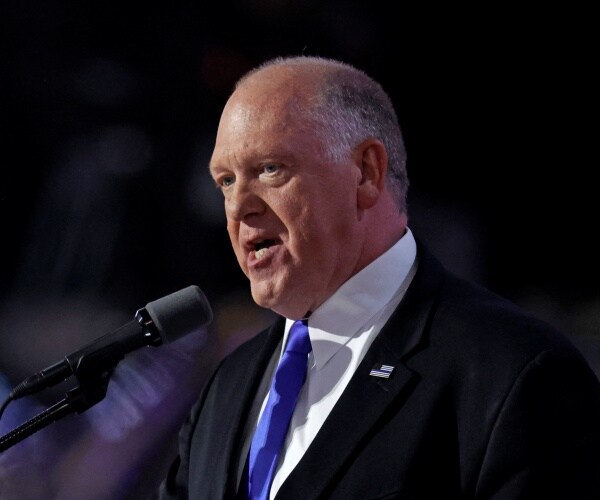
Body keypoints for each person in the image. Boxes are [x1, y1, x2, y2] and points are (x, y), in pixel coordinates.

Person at [158, 55, 600, 499]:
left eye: (270, 169)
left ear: (367, 174)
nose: (238, 207)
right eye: (226, 181)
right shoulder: (226, 387)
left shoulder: (513, 373)